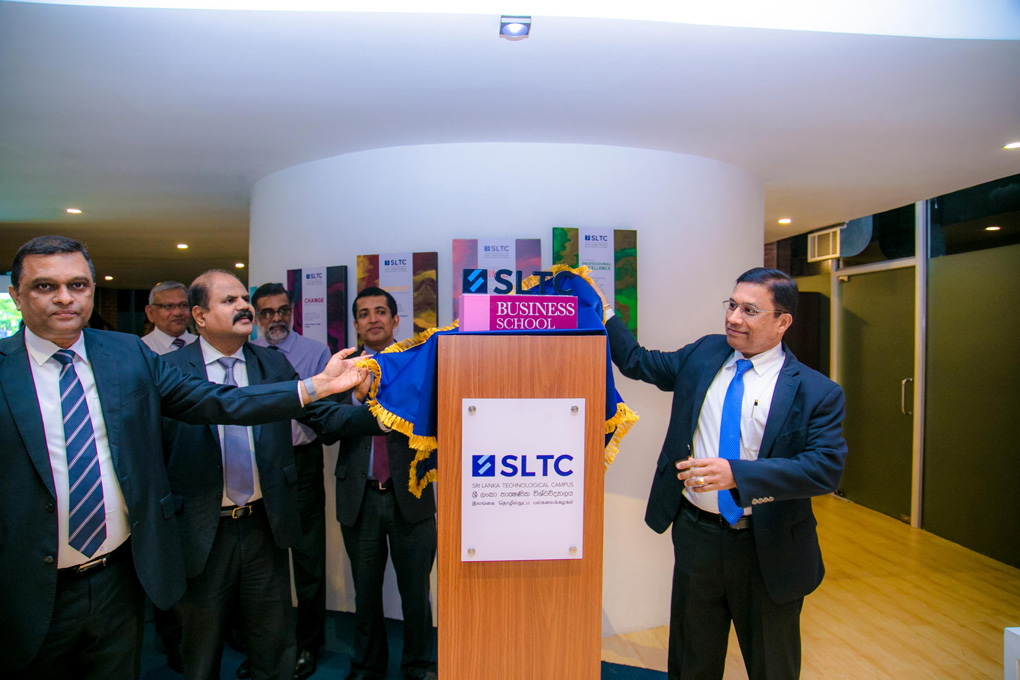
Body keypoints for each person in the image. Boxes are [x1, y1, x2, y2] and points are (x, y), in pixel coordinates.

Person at [0, 235, 368, 680]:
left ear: (92, 290)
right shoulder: (11, 369)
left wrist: (316, 387)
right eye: (44, 286)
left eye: (77, 285)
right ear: (16, 295)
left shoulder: (126, 355)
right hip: (30, 584)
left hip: (120, 575)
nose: (64, 297)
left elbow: (219, 402)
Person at [601, 267, 848, 680]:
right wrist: (606, 311)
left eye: (750, 310)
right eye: (731, 305)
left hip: (768, 548)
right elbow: (636, 361)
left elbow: (824, 469)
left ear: (782, 322)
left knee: (773, 665)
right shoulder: (705, 355)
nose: (734, 318)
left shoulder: (816, 391)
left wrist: (738, 474)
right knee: (692, 659)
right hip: (697, 535)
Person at [162, 271, 386, 680]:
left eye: (244, 298)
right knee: (202, 650)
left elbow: (324, 419)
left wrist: (384, 419)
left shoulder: (272, 362)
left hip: (265, 524)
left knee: (273, 644)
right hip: (200, 529)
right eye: (229, 300)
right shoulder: (168, 370)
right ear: (199, 314)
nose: (244, 306)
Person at [337, 287, 437, 680]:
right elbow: (329, 425)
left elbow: (433, 419)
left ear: (397, 321)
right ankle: (367, 665)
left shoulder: (417, 363)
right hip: (358, 496)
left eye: (381, 312)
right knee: (365, 592)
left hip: (408, 494)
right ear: (356, 323)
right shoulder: (340, 369)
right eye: (364, 313)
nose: (373, 319)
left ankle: (416, 667)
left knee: (416, 594)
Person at [244, 282, 333, 679]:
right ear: (256, 316)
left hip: (303, 462)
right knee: (264, 564)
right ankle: (267, 648)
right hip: (260, 463)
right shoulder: (246, 356)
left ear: (292, 311)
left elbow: (327, 412)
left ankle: (308, 645)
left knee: (309, 561)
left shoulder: (315, 353)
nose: (275, 318)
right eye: (266, 312)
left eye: (282, 310)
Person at [140, 279, 195, 672]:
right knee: (166, 560)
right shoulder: (138, 355)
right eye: (167, 306)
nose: (176, 313)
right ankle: (171, 638)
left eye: (182, 305)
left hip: (198, 475)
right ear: (150, 313)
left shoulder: (202, 347)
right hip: (159, 475)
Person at [142, 280, 197, 353]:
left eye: (184, 305)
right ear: (150, 312)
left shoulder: (203, 345)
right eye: (168, 306)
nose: (178, 313)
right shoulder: (142, 349)